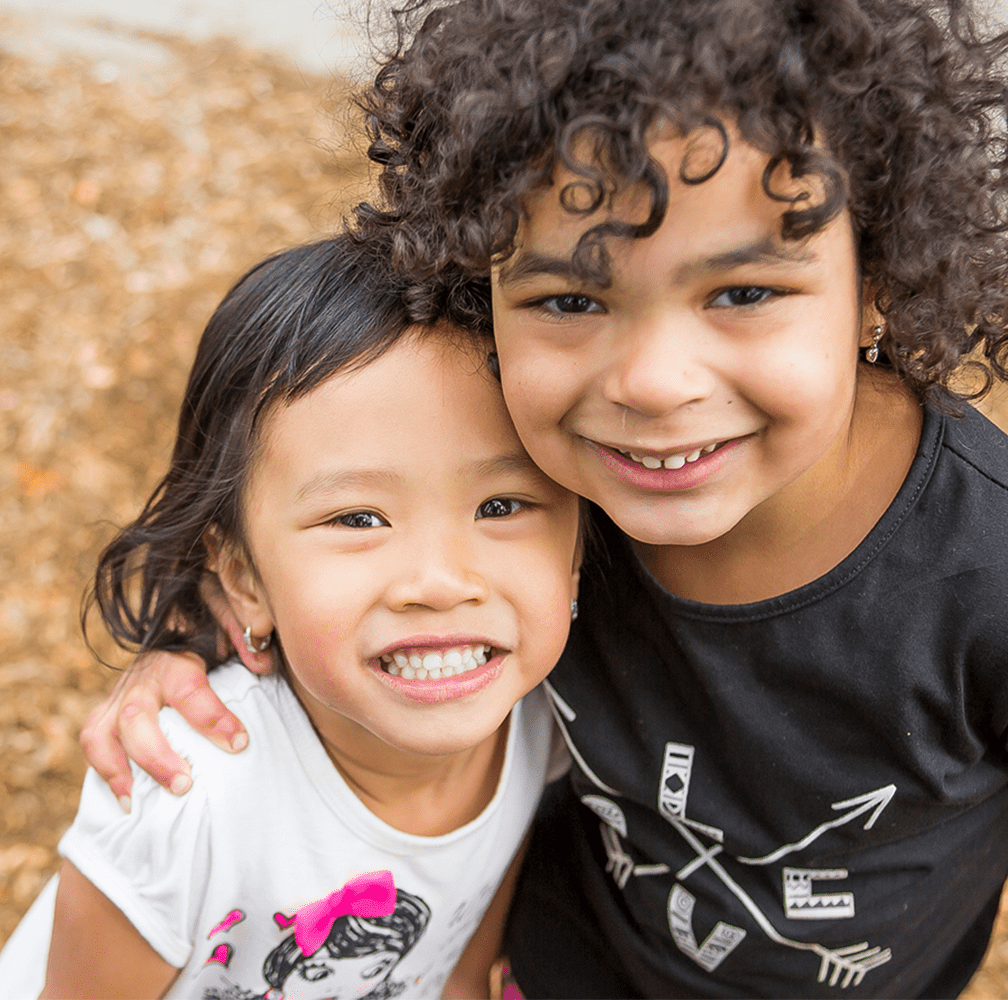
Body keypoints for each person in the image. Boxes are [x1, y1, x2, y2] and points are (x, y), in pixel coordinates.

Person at [78, 1, 1008, 997]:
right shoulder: (539, 474)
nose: (652, 384)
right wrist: (198, 651)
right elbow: (326, 510)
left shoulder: (984, 570)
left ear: (877, 278)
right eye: (570, 300)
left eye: (740, 293)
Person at [0, 235, 583, 999]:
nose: (437, 582)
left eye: (501, 506)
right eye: (358, 518)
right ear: (242, 577)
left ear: (578, 546)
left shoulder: (541, 724)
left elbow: (459, 972)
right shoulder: (185, 802)